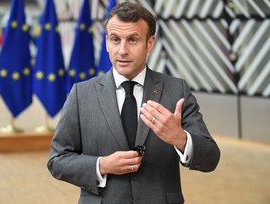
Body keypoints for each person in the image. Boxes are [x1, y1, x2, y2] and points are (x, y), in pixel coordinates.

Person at [47, 2, 220, 204]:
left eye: (132, 40)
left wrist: (180, 138)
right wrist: (101, 165)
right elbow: (57, 161)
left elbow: (211, 158)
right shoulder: (81, 94)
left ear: (150, 43)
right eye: (115, 39)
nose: (122, 50)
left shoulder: (176, 91)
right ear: (106, 43)